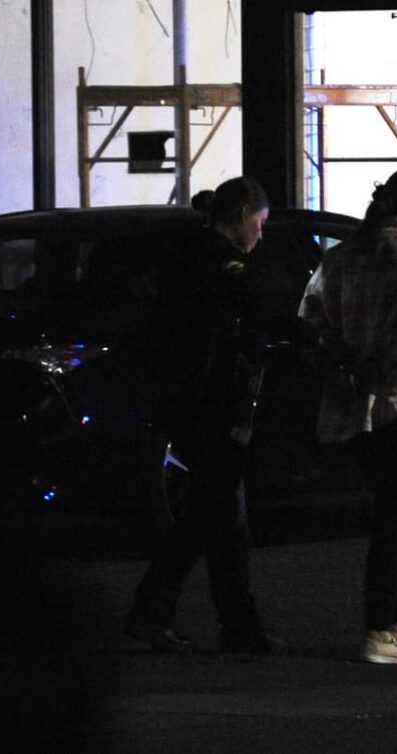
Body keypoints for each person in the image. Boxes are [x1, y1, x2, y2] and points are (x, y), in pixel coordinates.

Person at [298, 167, 397, 665]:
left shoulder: (343, 254)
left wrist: (345, 364)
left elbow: (310, 320)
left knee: (396, 512)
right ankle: (378, 627)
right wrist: (380, 367)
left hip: (356, 405)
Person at [126, 176, 275, 654]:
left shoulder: (184, 255)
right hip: (211, 404)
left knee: (208, 514)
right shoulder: (218, 264)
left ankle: (171, 614)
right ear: (243, 213)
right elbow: (257, 310)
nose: (260, 234)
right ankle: (233, 626)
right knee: (219, 516)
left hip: (188, 401)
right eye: (260, 222)